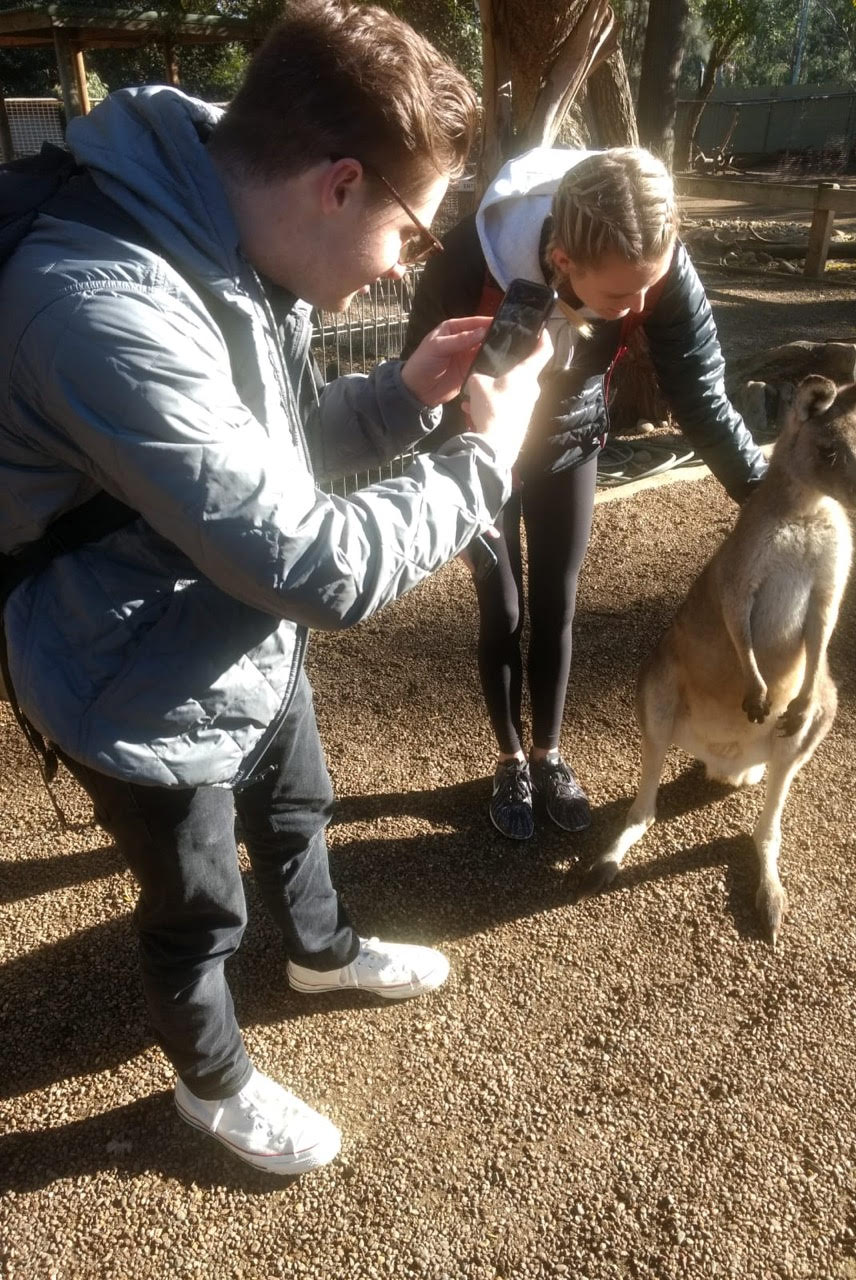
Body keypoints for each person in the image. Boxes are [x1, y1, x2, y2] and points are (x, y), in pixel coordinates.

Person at [0, 0, 551, 1176]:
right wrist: (484, 463)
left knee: (300, 809)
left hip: (241, 630)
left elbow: (267, 455)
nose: (407, 262)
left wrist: (402, 397)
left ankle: (321, 949)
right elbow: (315, 561)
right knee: (197, 905)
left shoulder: (221, 224)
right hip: (133, 674)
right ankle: (212, 1081)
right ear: (339, 185)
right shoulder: (100, 301)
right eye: (413, 232)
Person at [404, 146, 767, 841]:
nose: (639, 308)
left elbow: (700, 392)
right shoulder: (472, 261)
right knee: (503, 605)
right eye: (621, 296)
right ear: (564, 259)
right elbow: (418, 384)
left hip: (569, 434)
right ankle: (510, 757)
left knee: (557, 602)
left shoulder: (651, 263)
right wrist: (449, 483)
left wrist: (760, 493)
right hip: (477, 443)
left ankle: (547, 754)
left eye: (649, 287)